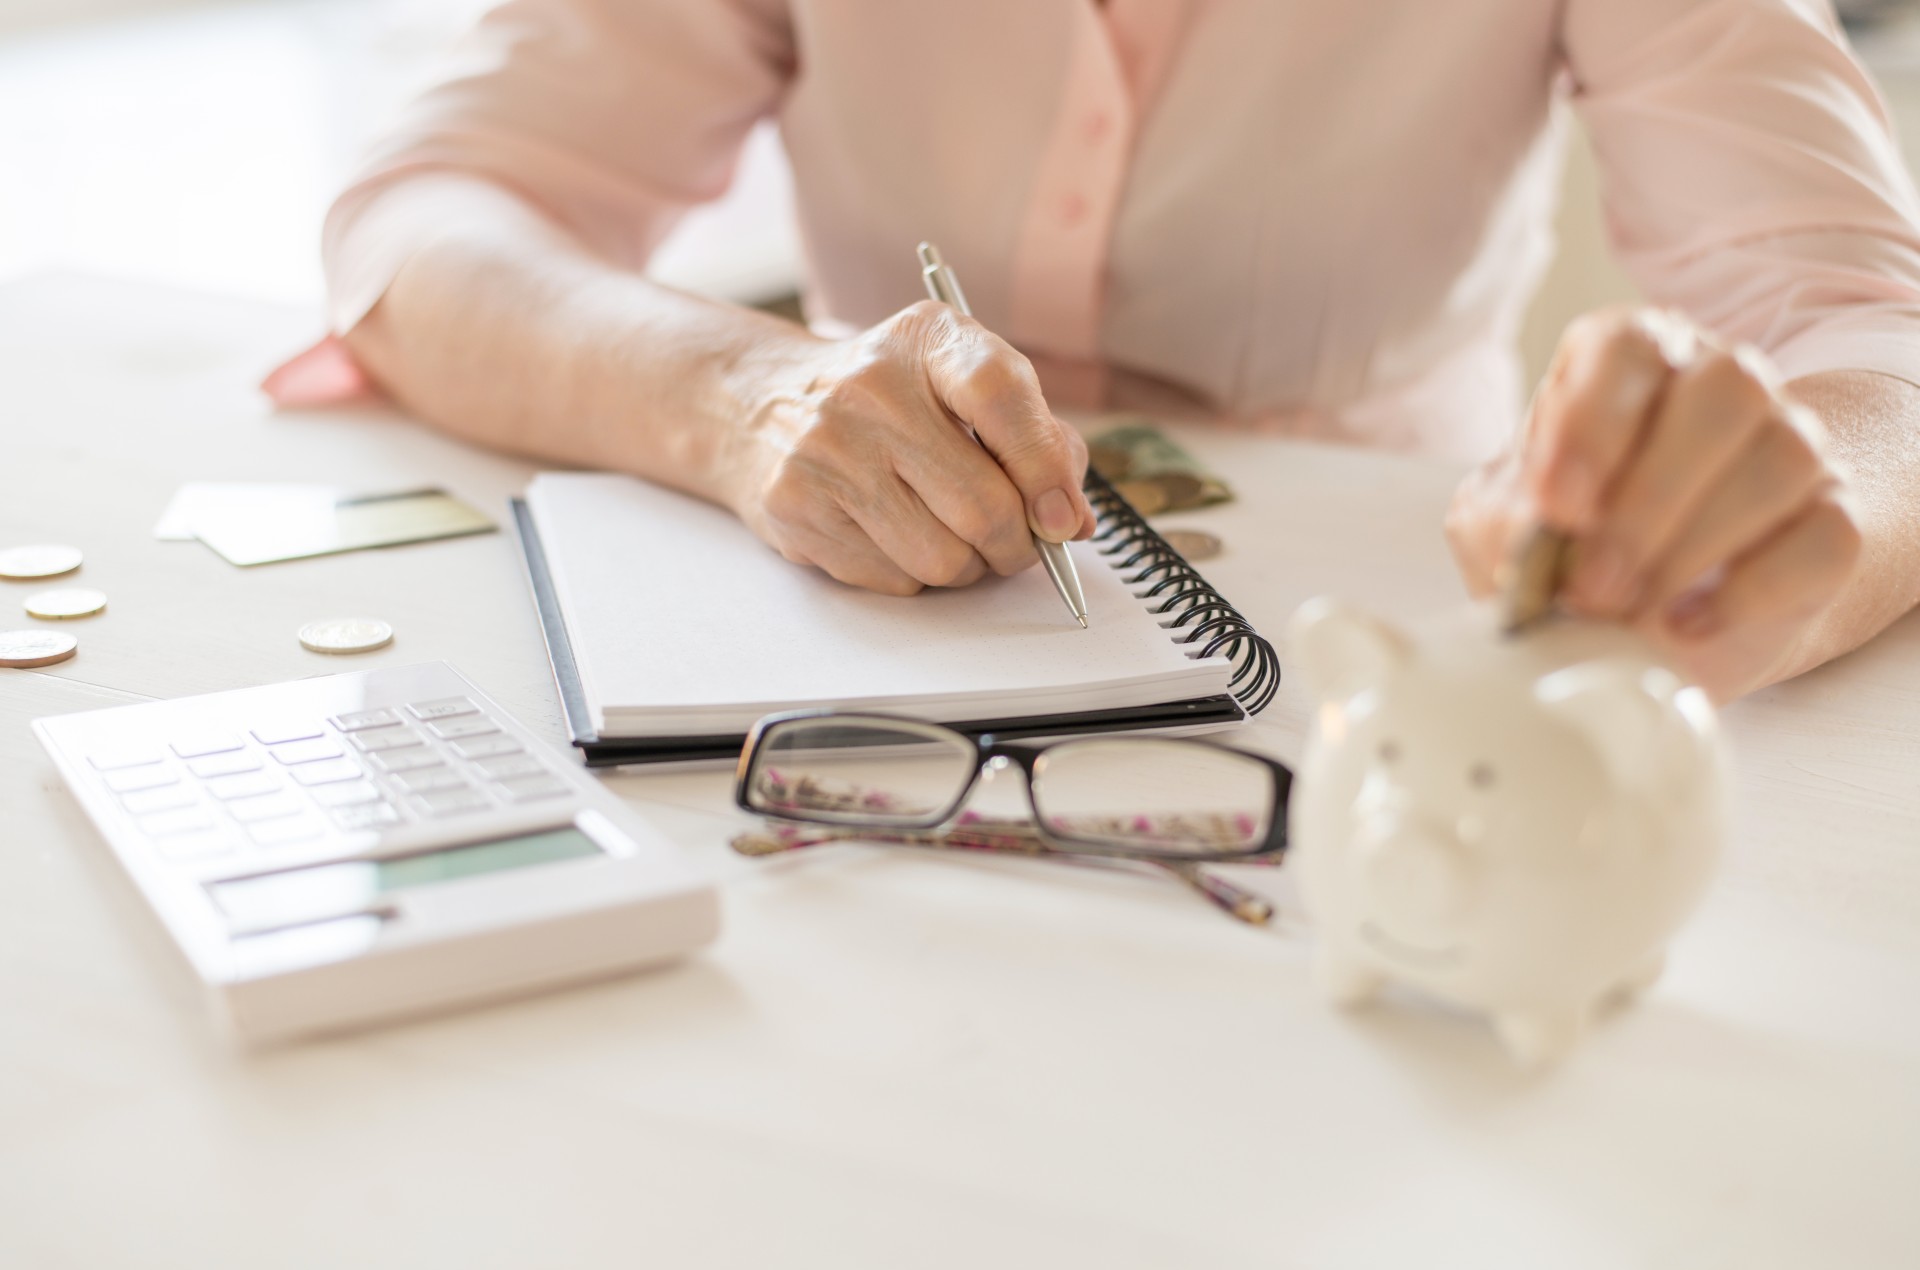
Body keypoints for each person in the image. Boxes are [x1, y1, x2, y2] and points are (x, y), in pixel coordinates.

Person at [269, 1, 1920, 703]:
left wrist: (1798, 498)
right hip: (866, 675)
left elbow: (1877, 334)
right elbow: (430, 222)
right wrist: (740, 394)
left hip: (1384, 673)